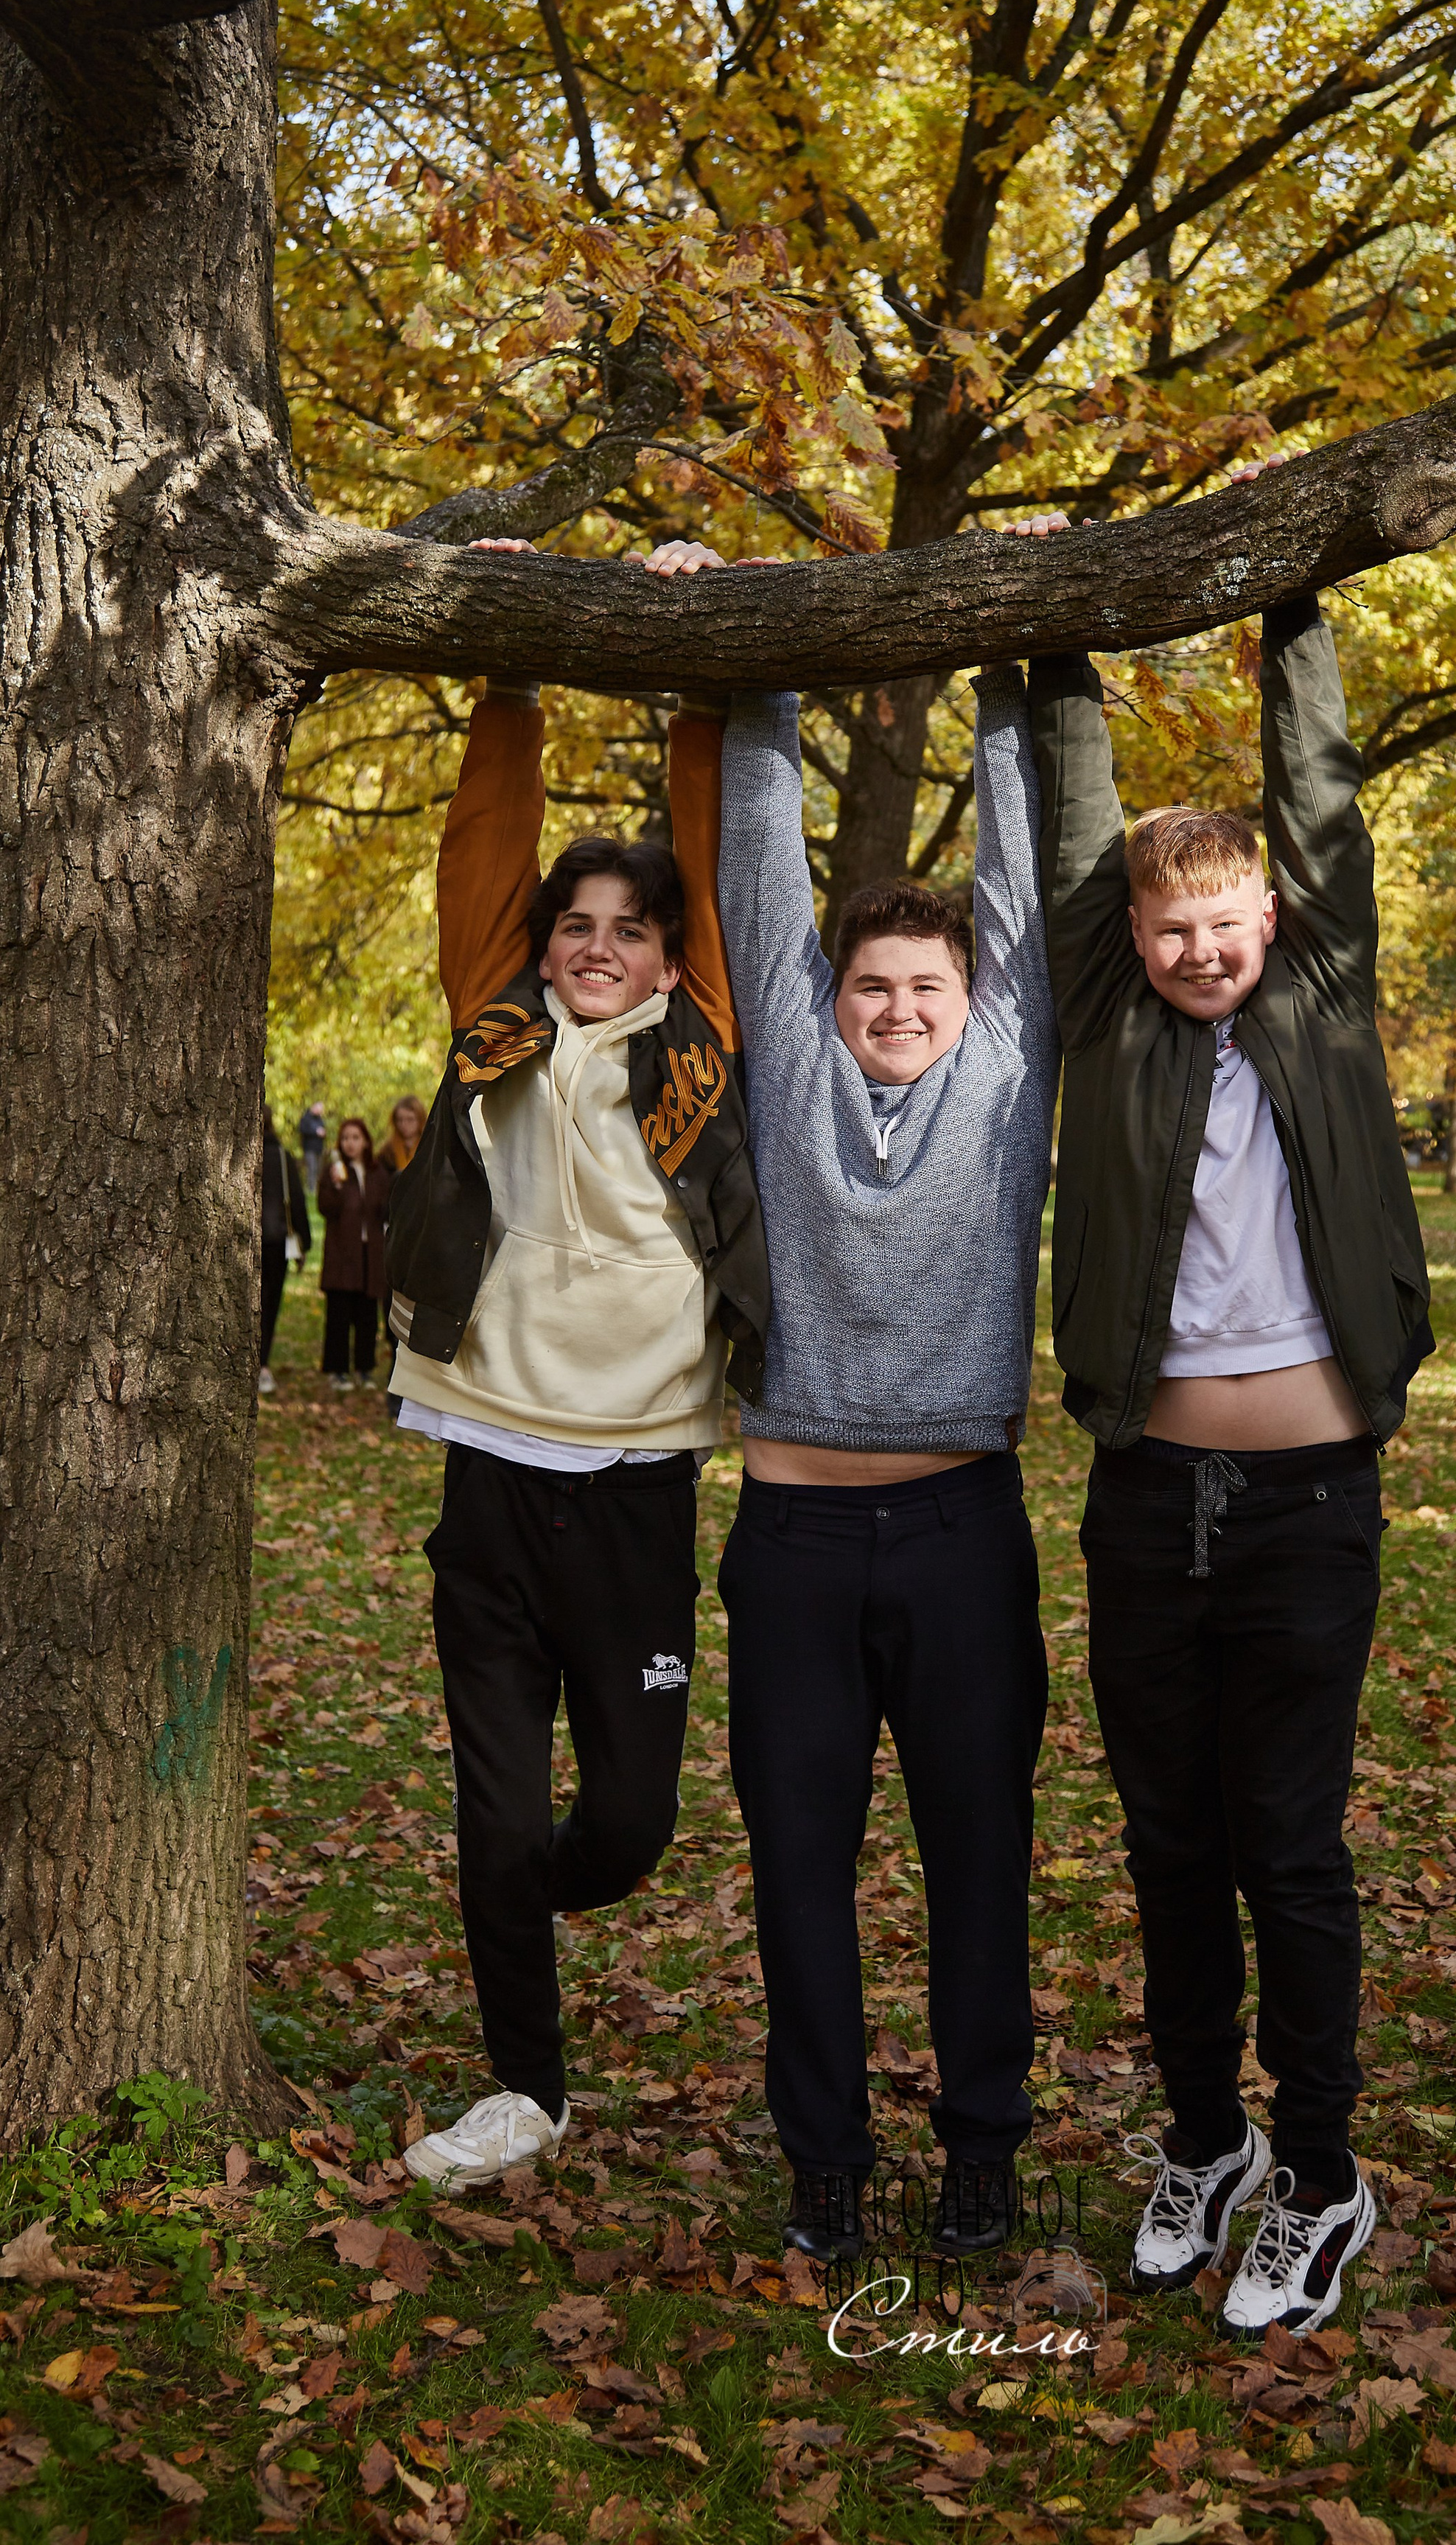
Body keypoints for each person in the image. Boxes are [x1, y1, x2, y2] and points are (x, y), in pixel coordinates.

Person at [1029, 587, 1432, 2342]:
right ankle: (1206, 2138)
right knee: (1168, 1835)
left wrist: (1294, 597)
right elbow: (1061, 831)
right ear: (1134, 930)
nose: (1199, 945)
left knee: (1285, 1837)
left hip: (1308, 1504)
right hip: (1144, 1503)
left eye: (1223, 914)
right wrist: (1050, 644)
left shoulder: (1323, 985)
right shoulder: (1106, 1016)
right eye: (1169, 921)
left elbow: (1322, 792)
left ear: (1268, 910)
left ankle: (1321, 2170)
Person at [386, 537, 770, 2195]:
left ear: (673, 955)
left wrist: (693, 671)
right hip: (488, 1467)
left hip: (632, 1483)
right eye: (574, 924)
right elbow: (485, 856)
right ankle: (524, 2087)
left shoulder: (702, 1052)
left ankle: (509, 1904)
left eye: (628, 927)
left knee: (625, 1824)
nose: (594, 942)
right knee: (490, 1804)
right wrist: (514, 666)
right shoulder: (498, 1032)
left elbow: (711, 852)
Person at [693, 654, 1057, 2269]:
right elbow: (757, 869)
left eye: (925, 987)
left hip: (961, 1535)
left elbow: (1032, 892)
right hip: (790, 1550)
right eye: (869, 988)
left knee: (978, 1859)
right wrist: (762, 665)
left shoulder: (1005, 1073)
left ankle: (981, 2155)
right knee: (798, 1876)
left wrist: (1013, 664)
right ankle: (822, 2164)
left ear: (973, 1003)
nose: (897, 1010)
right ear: (826, 1001)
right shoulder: (791, 1071)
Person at [317, 1118, 390, 1388]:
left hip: (370, 1253)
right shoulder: (333, 1171)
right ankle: (338, 1370)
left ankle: (365, 1368)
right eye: (346, 1138)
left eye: (356, 1138)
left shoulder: (377, 1172)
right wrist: (335, 1186)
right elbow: (326, 1208)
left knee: (367, 1315)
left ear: (366, 1142)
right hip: (342, 1253)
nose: (350, 1143)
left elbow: (384, 1208)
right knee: (339, 1315)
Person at [259, 1107, 310, 1395]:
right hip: (277, 1240)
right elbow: (298, 1200)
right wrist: (304, 1241)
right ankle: (262, 1363)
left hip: (249, 1239)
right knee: (269, 1302)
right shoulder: (282, 1156)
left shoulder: (273, 1155)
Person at [378, 1095, 430, 1369]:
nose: (405, 1125)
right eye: (400, 1120)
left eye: (410, 1119)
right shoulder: (387, 1154)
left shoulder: (429, 1149)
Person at [297, 1098, 326, 1197]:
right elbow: (302, 1130)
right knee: (311, 1168)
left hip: (319, 1148)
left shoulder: (320, 1120)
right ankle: (311, 1189)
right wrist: (315, 1132)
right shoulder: (306, 1118)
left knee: (318, 1169)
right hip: (309, 1148)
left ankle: (318, 1190)